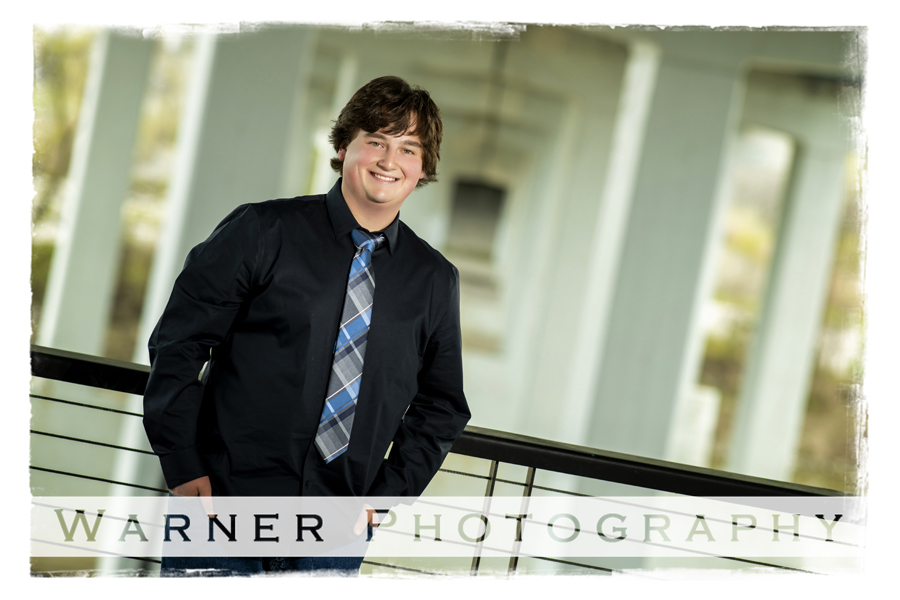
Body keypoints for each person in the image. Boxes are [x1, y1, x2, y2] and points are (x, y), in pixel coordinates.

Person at [142, 75, 470, 576]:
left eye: (408, 149)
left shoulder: (433, 280)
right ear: (343, 146)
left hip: (334, 532)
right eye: (376, 141)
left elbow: (441, 406)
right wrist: (183, 466)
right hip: (223, 506)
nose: (389, 160)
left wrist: (384, 500)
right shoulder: (261, 231)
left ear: (422, 167)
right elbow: (179, 344)